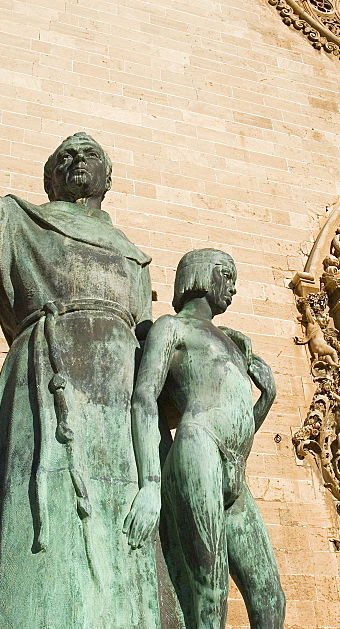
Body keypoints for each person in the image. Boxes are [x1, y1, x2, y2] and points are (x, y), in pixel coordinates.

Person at [0, 43, 159, 627]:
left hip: (120, 413)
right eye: (63, 156)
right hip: (47, 387)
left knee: (123, 556)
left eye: (86, 154)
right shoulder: (17, 221)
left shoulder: (137, 262)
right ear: (51, 177)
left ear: (107, 178)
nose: (73, 160)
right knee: (45, 542)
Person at [123, 249, 285, 629]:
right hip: (199, 448)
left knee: (270, 597)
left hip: (234, 467)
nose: (233, 286)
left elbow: (242, 425)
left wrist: (268, 397)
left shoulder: (233, 342)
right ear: (199, 276)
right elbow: (144, 397)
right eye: (226, 275)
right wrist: (150, 483)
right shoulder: (172, 327)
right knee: (210, 590)